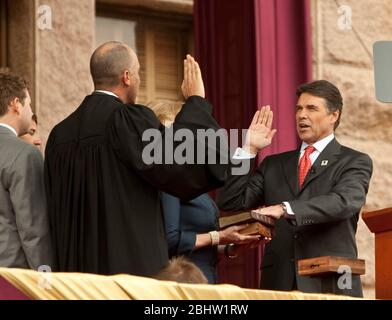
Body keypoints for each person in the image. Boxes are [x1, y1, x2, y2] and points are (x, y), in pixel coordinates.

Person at [44, 41, 229, 277]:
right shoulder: (127, 121)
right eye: (139, 72)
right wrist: (197, 102)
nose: (140, 80)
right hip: (127, 276)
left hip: (75, 279)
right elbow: (183, 166)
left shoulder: (59, 134)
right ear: (127, 77)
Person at [217, 80, 373, 297]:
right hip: (279, 281)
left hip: (330, 279)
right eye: (298, 108)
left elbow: (343, 202)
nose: (301, 115)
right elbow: (231, 201)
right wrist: (248, 149)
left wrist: (286, 208)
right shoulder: (273, 164)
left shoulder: (353, 161)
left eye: (311, 108)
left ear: (333, 115)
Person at [147, 100, 262, 284]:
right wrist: (219, 236)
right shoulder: (167, 179)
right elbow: (170, 240)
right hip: (180, 283)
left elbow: (194, 239)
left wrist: (229, 247)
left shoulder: (187, 180)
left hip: (202, 277)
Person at [0, 70, 53, 270]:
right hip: (11, 278)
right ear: (16, 104)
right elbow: (34, 231)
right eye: (29, 104)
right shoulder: (25, 154)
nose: (31, 112)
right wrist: (46, 281)